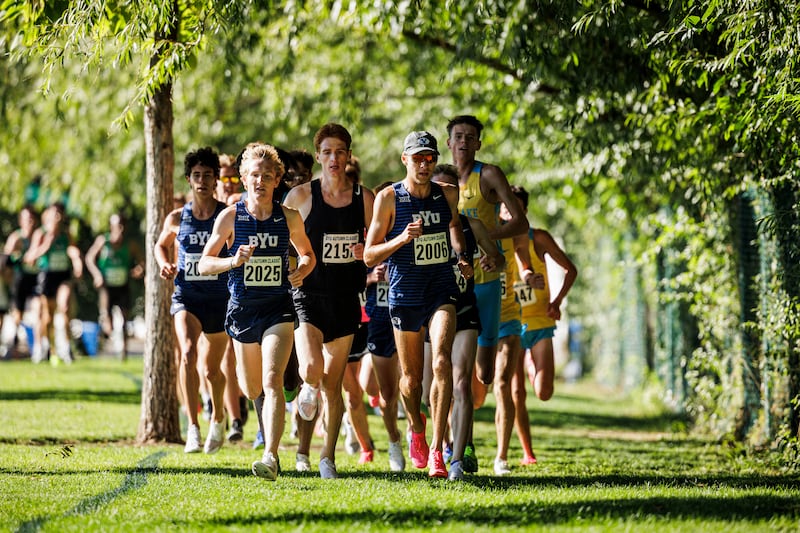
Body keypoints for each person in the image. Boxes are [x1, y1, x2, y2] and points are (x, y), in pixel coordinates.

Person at [199, 142, 315, 480]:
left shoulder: (288, 217)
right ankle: (264, 429)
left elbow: (308, 254)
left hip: (277, 308)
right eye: (253, 175)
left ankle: (271, 456)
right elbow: (205, 263)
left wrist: (301, 270)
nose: (260, 182)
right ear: (243, 178)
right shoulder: (231, 216)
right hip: (241, 311)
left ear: (277, 179)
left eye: (267, 176)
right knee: (252, 388)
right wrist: (232, 260)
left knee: (272, 379)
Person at [364, 131, 473, 479]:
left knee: (442, 361)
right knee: (411, 381)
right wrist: (401, 238)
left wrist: (461, 257)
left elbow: (454, 227)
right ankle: (416, 427)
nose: (424, 164)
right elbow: (368, 255)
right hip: (404, 293)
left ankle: (440, 451)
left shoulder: (449, 194)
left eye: (429, 158)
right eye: (418, 158)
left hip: (440, 289)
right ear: (405, 160)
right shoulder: (388, 198)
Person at [283, 123, 375, 479]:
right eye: (327, 152)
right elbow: (279, 241)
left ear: (348, 156)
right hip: (308, 295)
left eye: (340, 152)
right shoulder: (301, 197)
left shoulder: (363, 199)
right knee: (311, 371)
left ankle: (327, 457)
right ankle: (306, 400)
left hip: (346, 298)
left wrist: (367, 251)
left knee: (333, 386)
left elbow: (380, 244)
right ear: (318, 156)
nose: (334, 159)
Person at [446, 114, 528, 470]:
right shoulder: (440, 181)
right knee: (450, 370)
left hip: (487, 281)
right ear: (448, 142)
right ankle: (461, 444)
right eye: (458, 136)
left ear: (478, 143)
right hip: (451, 285)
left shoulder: (488, 175)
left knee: (483, 375)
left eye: (470, 137)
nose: (463, 142)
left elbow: (520, 221)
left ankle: (465, 428)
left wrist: (484, 240)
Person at [428, 164, 504, 479]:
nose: (445, 195)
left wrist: (491, 260)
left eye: (450, 189)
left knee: (462, 384)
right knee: (427, 389)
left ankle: (457, 459)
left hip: (465, 311)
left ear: (458, 193)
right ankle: (436, 445)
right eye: (439, 190)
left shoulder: (472, 225)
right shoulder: (422, 228)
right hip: (431, 315)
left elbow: (498, 260)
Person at [155, 147, 230, 455]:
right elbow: (161, 245)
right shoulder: (177, 217)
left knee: (212, 370)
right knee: (187, 354)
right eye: (196, 176)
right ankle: (194, 428)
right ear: (188, 179)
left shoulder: (227, 214)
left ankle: (219, 418)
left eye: (207, 176)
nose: (202, 181)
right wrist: (164, 263)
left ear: (216, 180)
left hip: (220, 298)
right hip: (187, 295)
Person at [510, 185, 577, 465]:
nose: (508, 211)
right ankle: (528, 453)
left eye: (514, 207)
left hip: (539, 321)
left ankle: (530, 362)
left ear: (524, 211)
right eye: (503, 206)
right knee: (516, 393)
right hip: (510, 324)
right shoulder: (493, 239)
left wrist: (557, 301)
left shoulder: (538, 238)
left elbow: (570, 269)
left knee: (544, 392)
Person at [212, 152, 248, 440]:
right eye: (223, 178)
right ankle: (232, 418)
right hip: (213, 289)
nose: (228, 183)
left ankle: (240, 403)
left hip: (244, 289)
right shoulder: (208, 211)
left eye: (234, 178)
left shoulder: (244, 208)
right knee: (219, 354)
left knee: (239, 352)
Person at [24, 202, 82, 365]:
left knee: (64, 307)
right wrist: (45, 246)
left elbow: (72, 250)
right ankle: (43, 347)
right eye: (54, 214)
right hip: (47, 275)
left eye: (59, 214)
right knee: (47, 317)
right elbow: (30, 258)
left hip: (62, 275)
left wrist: (77, 262)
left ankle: (66, 347)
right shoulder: (41, 234)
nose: (57, 217)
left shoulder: (66, 234)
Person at [84, 213, 145, 360]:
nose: (120, 230)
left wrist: (139, 270)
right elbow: (89, 258)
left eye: (122, 226)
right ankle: (107, 336)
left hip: (122, 285)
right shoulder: (102, 242)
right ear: (111, 227)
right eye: (117, 226)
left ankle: (123, 350)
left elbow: (142, 262)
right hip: (106, 286)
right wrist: (97, 275)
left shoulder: (130, 245)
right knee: (107, 318)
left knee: (124, 317)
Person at [3, 205, 40, 358]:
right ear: (21, 221)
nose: (29, 222)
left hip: (37, 279)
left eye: (32, 219)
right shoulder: (16, 238)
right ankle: (14, 344)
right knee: (17, 315)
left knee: (40, 310)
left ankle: (39, 348)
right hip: (20, 280)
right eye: (26, 219)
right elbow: (5, 261)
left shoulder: (39, 236)